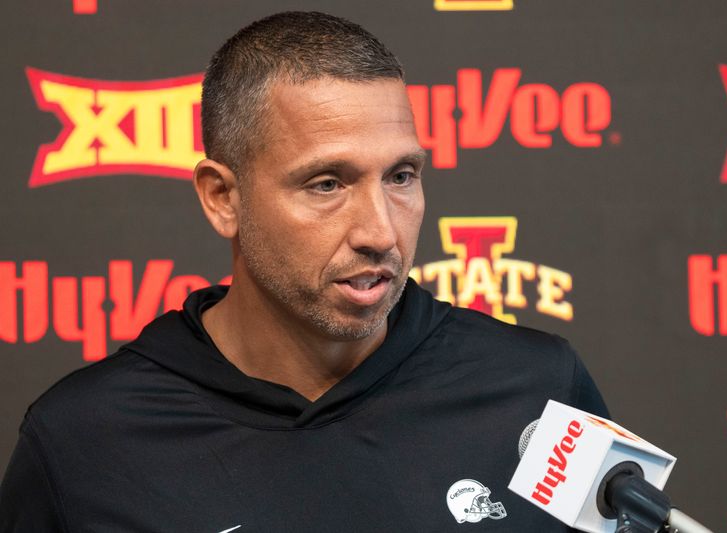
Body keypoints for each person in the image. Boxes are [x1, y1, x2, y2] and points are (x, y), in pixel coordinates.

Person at [0, 11, 608, 532]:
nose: (380, 233)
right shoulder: (84, 441)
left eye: (401, 177)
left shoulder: (537, 389)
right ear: (222, 198)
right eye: (326, 184)